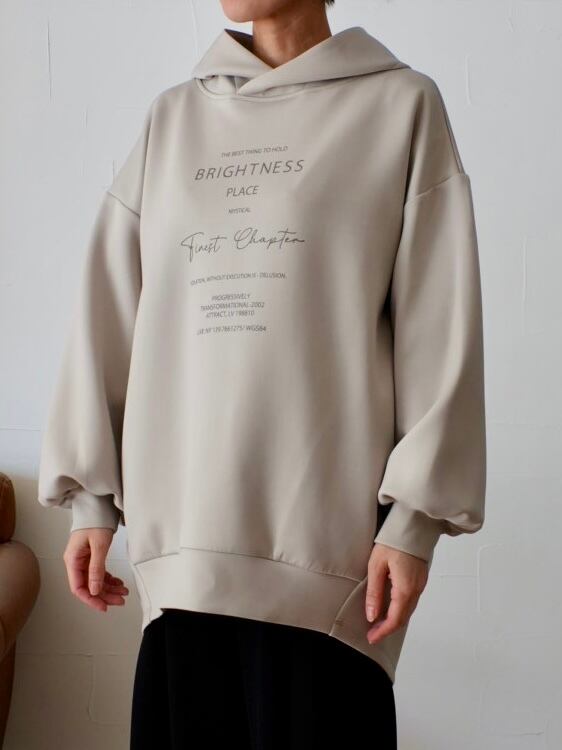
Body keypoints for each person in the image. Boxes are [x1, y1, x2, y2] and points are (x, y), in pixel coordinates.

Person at [37, 0, 487, 747]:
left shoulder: (401, 105)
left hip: (327, 564)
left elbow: (439, 323)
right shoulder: (173, 119)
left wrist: (414, 524)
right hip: (181, 555)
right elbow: (109, 311)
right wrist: (91, 500)